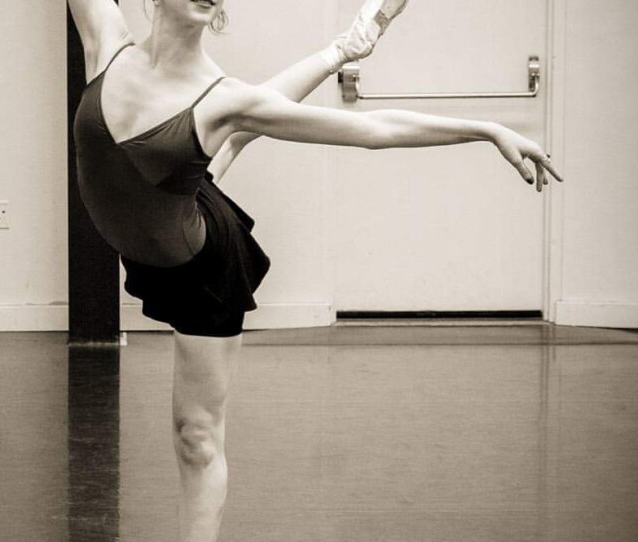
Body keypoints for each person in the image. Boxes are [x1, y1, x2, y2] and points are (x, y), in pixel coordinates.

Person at [68, 1, 563, 541]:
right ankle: (341, 49)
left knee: (196, 437)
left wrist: (487, 129)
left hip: (200, 263)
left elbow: (375, 129)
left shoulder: (225, 95)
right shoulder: (106, 40)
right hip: (163, 202)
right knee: (226, 134)